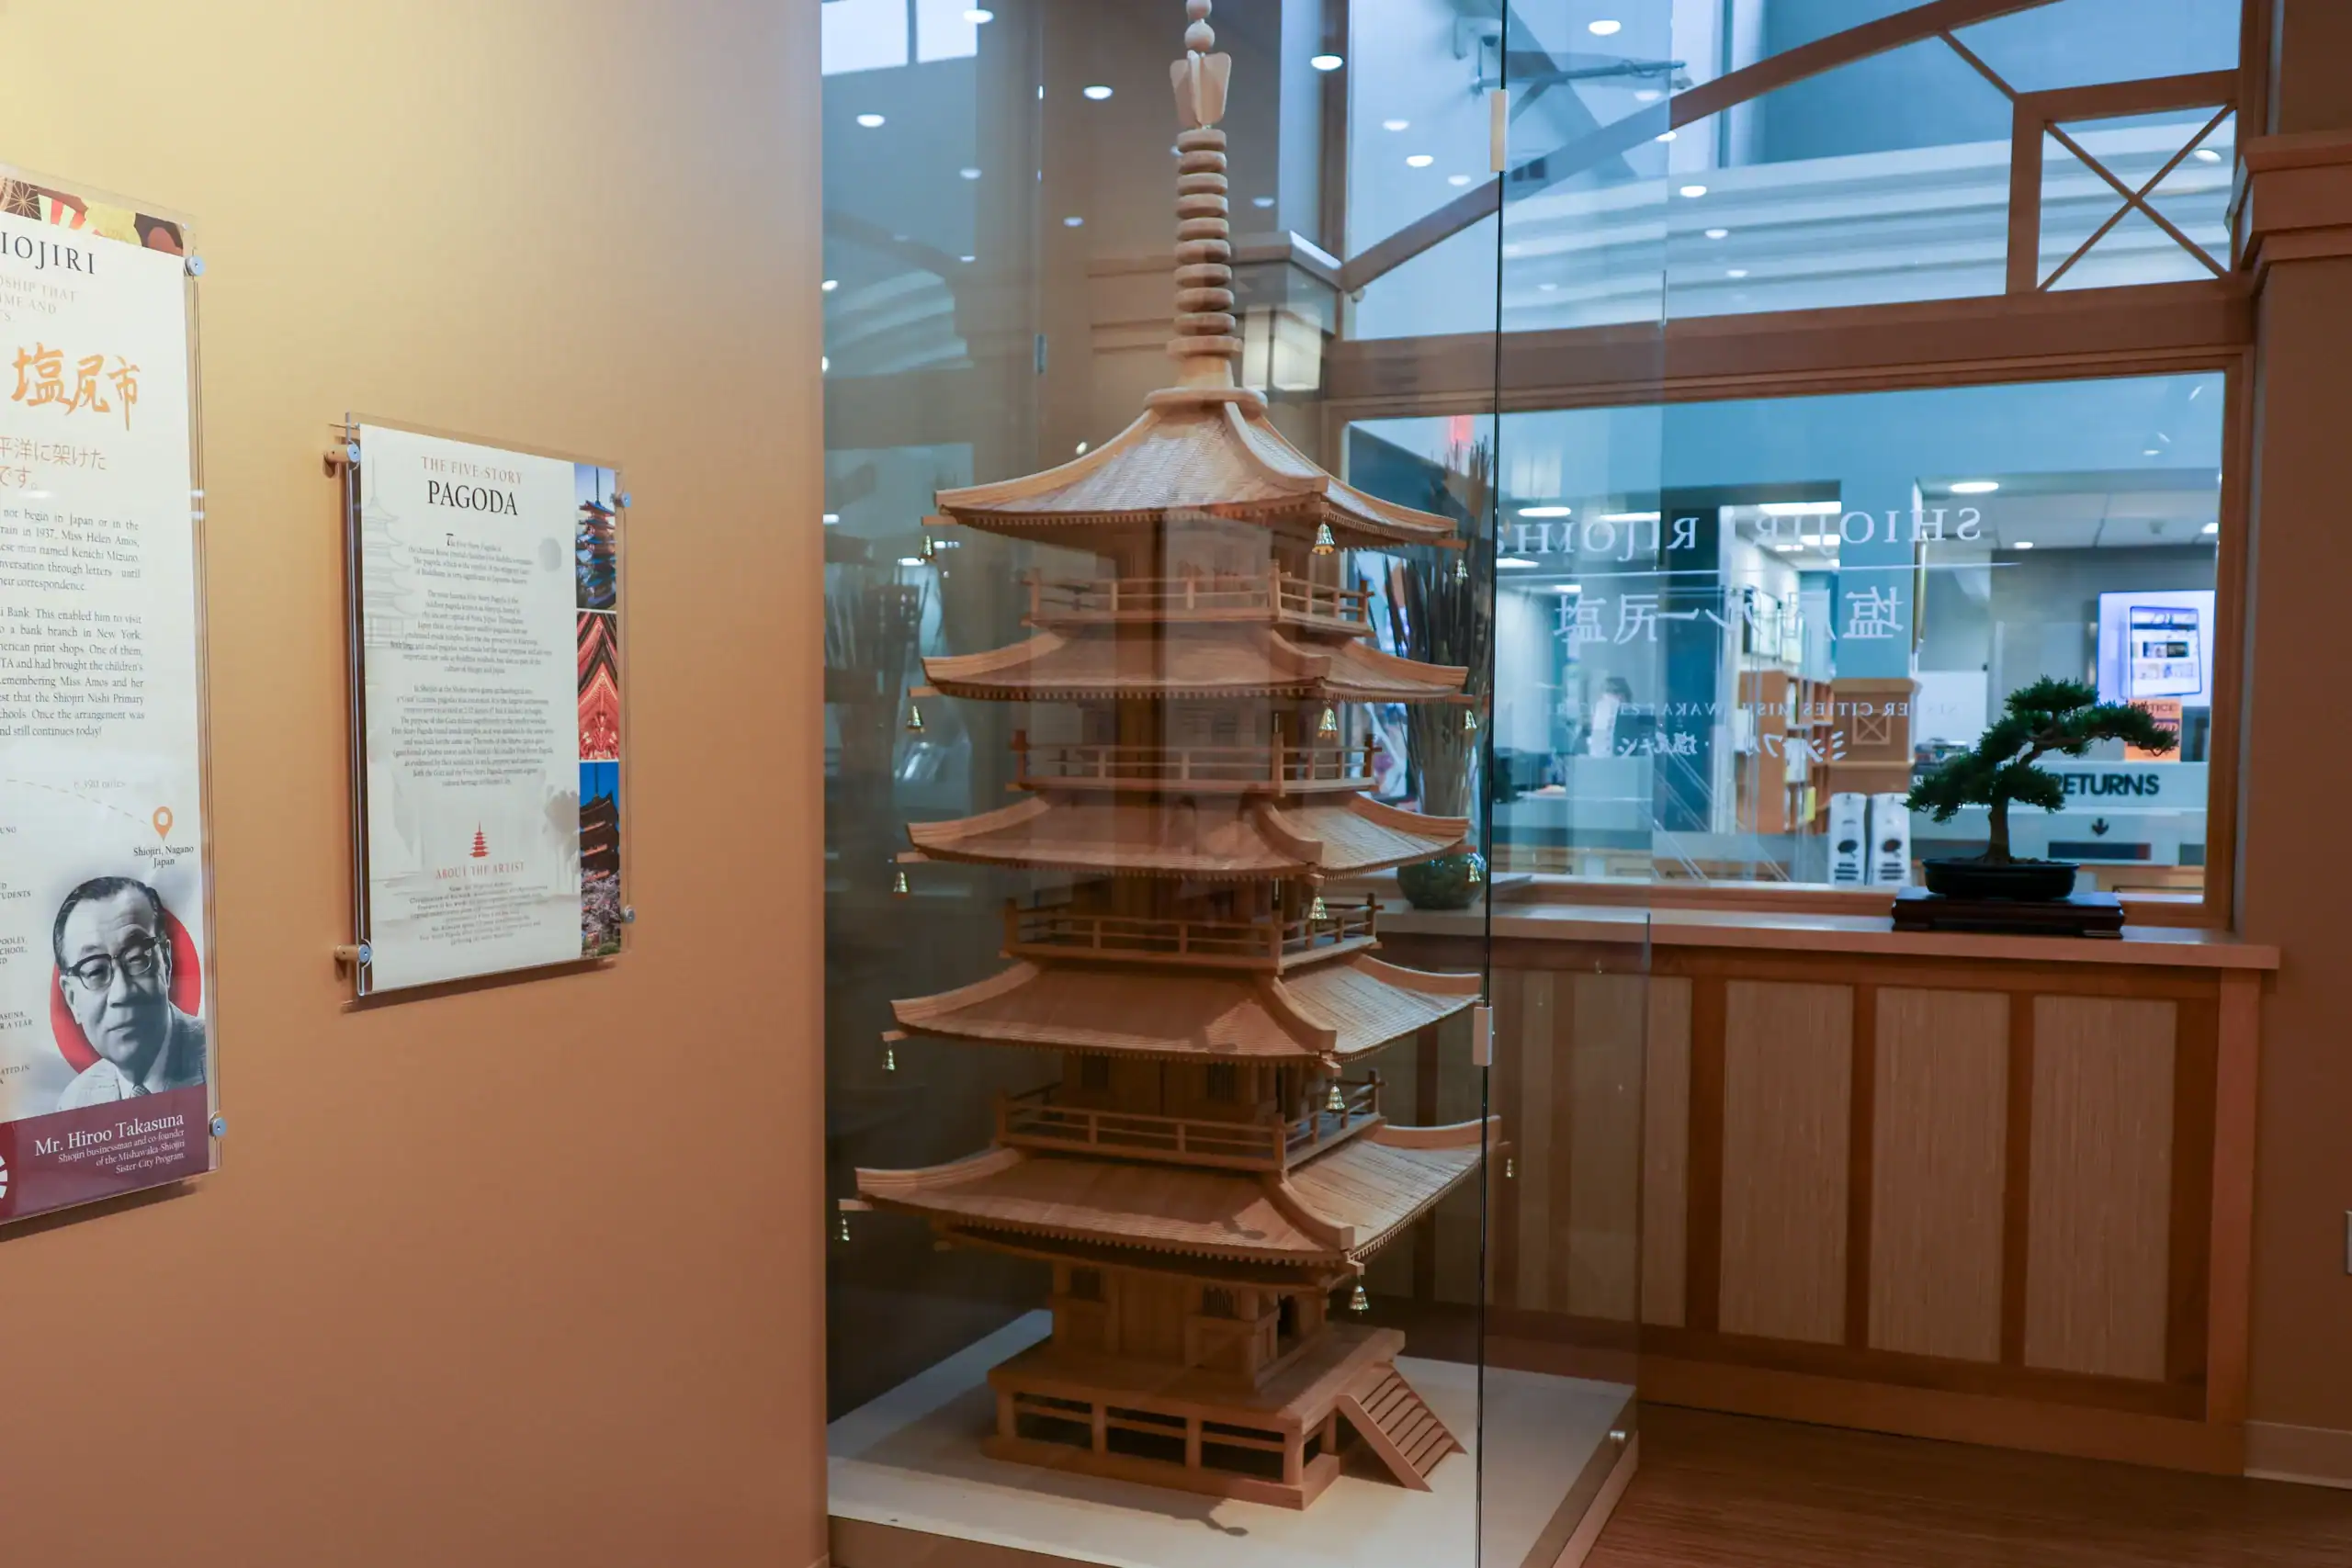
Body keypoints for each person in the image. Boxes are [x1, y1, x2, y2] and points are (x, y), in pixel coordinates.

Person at [51, 876, 206, 1110]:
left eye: (135, 958)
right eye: (95, 971)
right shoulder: (75, 1103)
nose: (122, 992)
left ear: (165, 960)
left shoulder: (225, 1057)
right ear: (72, 999)